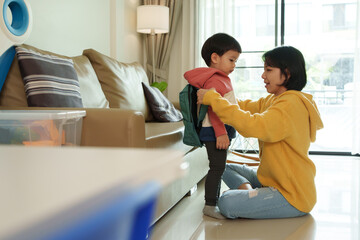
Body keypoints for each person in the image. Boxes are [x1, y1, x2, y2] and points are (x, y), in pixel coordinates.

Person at [197, 46, 324, 219]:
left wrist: (214, 99)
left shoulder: (291, 104)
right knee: (223, 167)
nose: (263, 76)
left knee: (226, 202)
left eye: (269, 70)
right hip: (273, 179)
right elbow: (243, 106)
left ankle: (253, 197)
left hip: (292, 195)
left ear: (287, 73)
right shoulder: (274, 99)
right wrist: (219, 96)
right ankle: (253, 195)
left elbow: (253, 126)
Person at [183, 33, 242, 219]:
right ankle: (210, 205)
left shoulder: (220, 77)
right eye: (231, 59)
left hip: (220, 130)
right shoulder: (215, 79)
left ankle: (212, 202)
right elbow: (213, 110)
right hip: (216, 130)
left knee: (219, 166)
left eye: (235, 61)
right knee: (217, 167)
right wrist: (221, 133)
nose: (234, 65)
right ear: (215, 58)